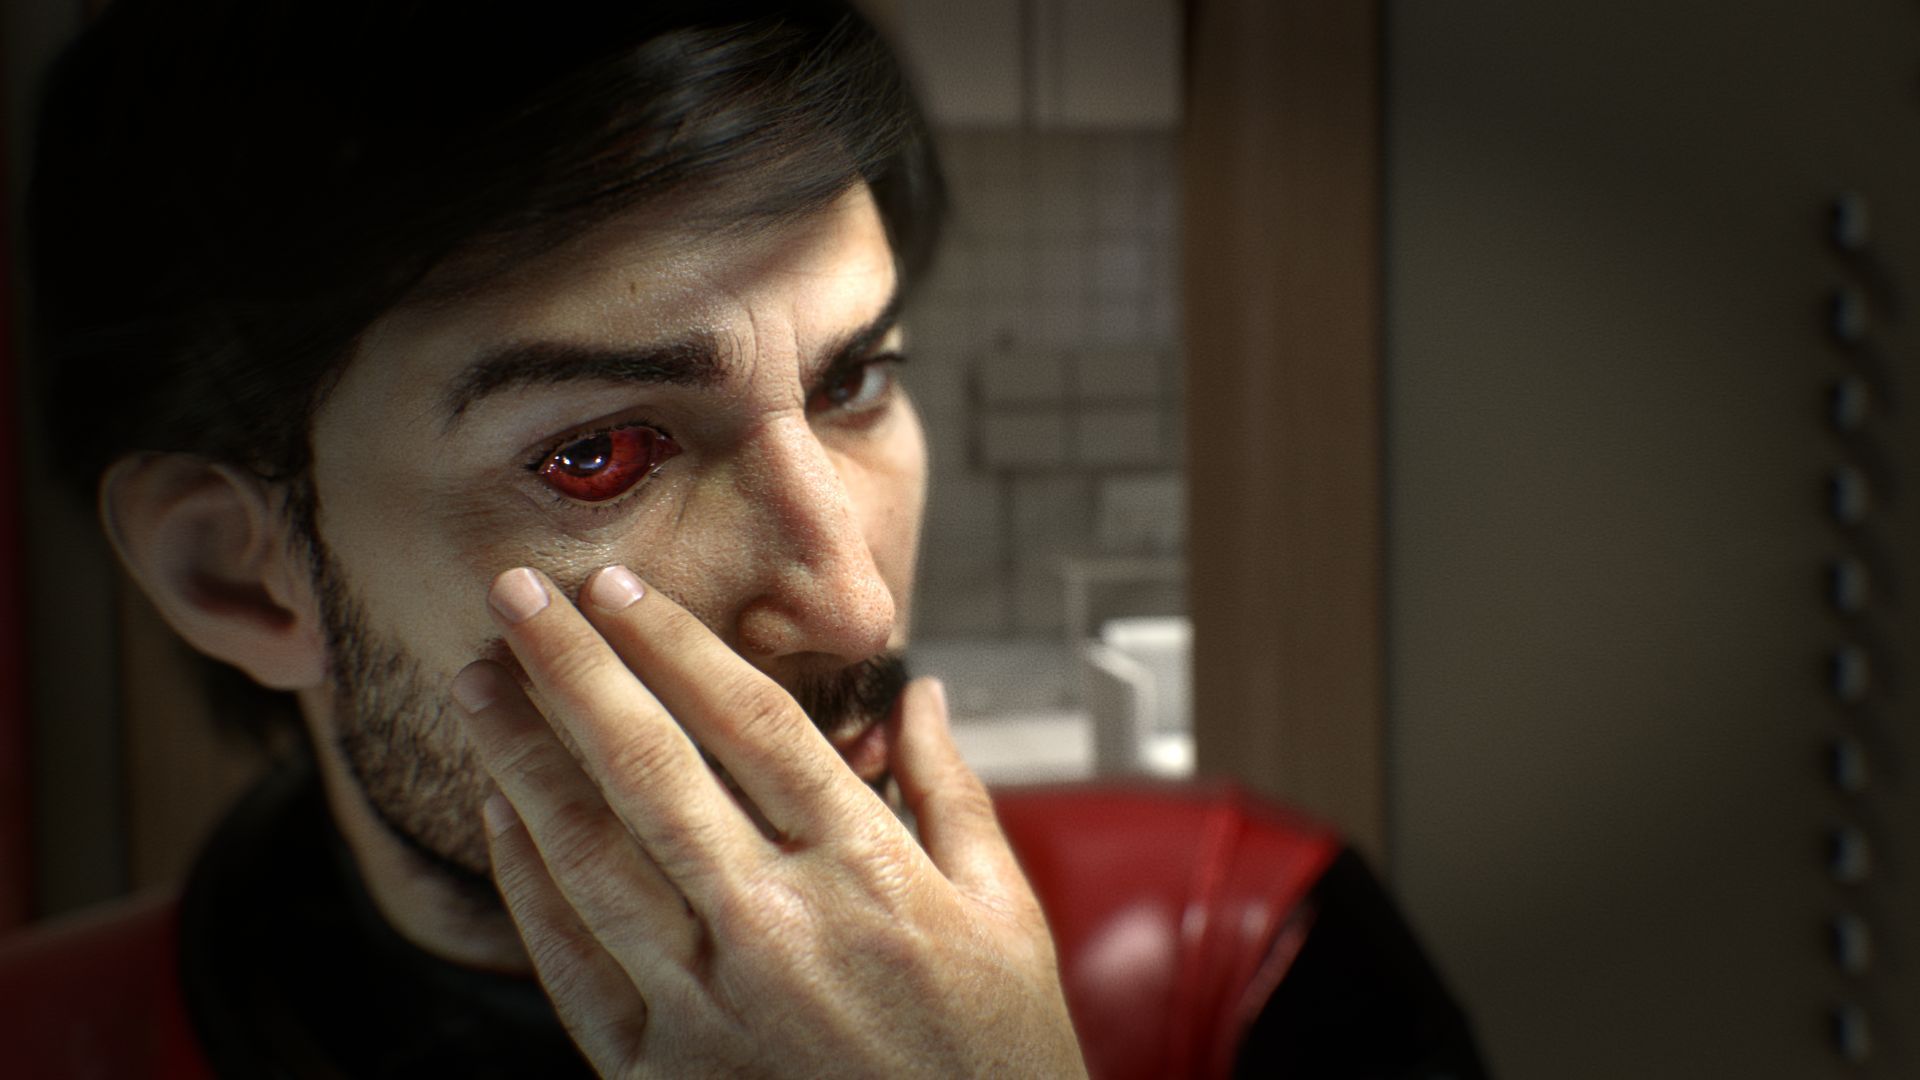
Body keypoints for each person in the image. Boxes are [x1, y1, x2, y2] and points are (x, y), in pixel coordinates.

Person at [6, 1, 1487, 1076]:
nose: (853, 606)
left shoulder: (1241, 948)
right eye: (597, 454)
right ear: (236, 571)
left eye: (855, 383)